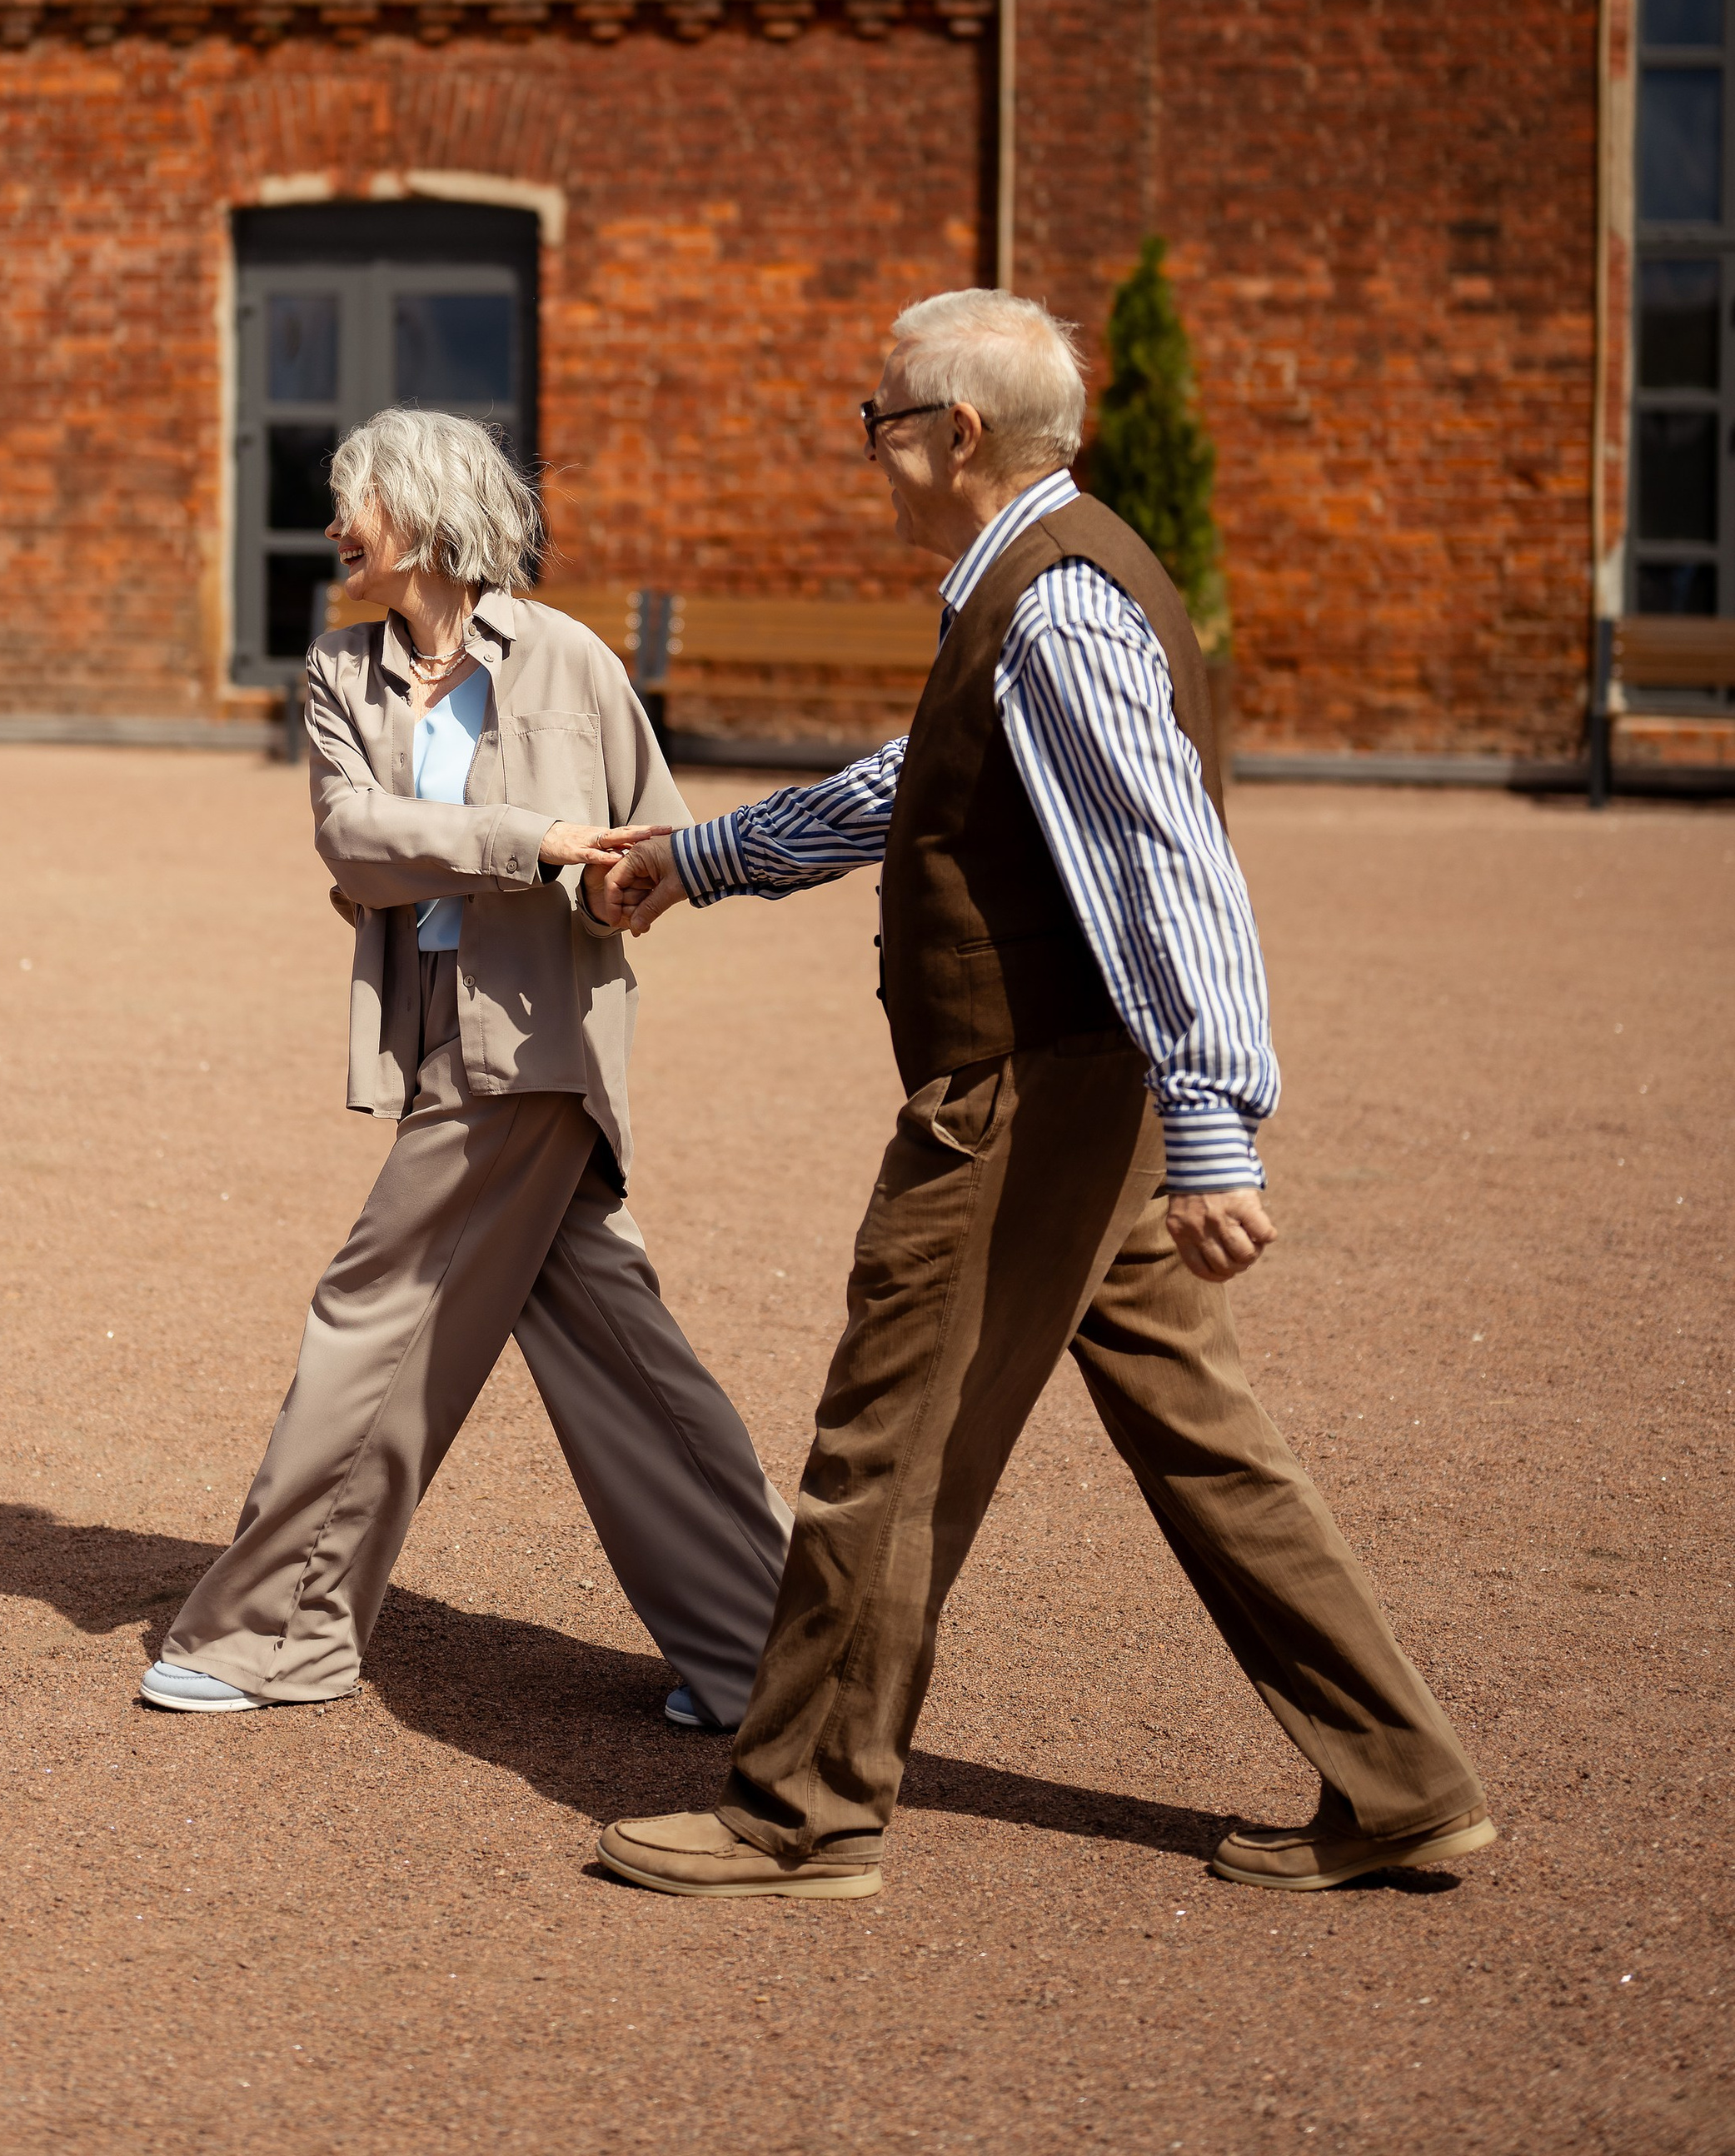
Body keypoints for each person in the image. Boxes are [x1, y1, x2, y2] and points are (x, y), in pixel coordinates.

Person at [592, 289, 1493, 1899]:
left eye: (880, 420)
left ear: (956, 434)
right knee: (1202, 1436)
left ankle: (801, 1811)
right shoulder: (1050, 580)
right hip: (1086, 1096)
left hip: (1026, 1096)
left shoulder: (1054, 606)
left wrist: (1216, 1121)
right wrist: (708, 855)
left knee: (890, 1440)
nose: (869, 450)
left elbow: (1165, 864)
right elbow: (926, 785)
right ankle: (1405, 1777)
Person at [142, 407, 790, 1726]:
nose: (336, 526)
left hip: (535, 1034)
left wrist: (611, 883)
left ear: (429, 514)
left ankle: (277, 1633)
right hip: (434, 1021)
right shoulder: (342, 671)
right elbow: (354, 834)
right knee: (618, 1351)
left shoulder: (569, 659)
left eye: (357, 502)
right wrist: (530, 839)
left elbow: (652, 841)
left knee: (376, 1307)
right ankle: (780, 1654)